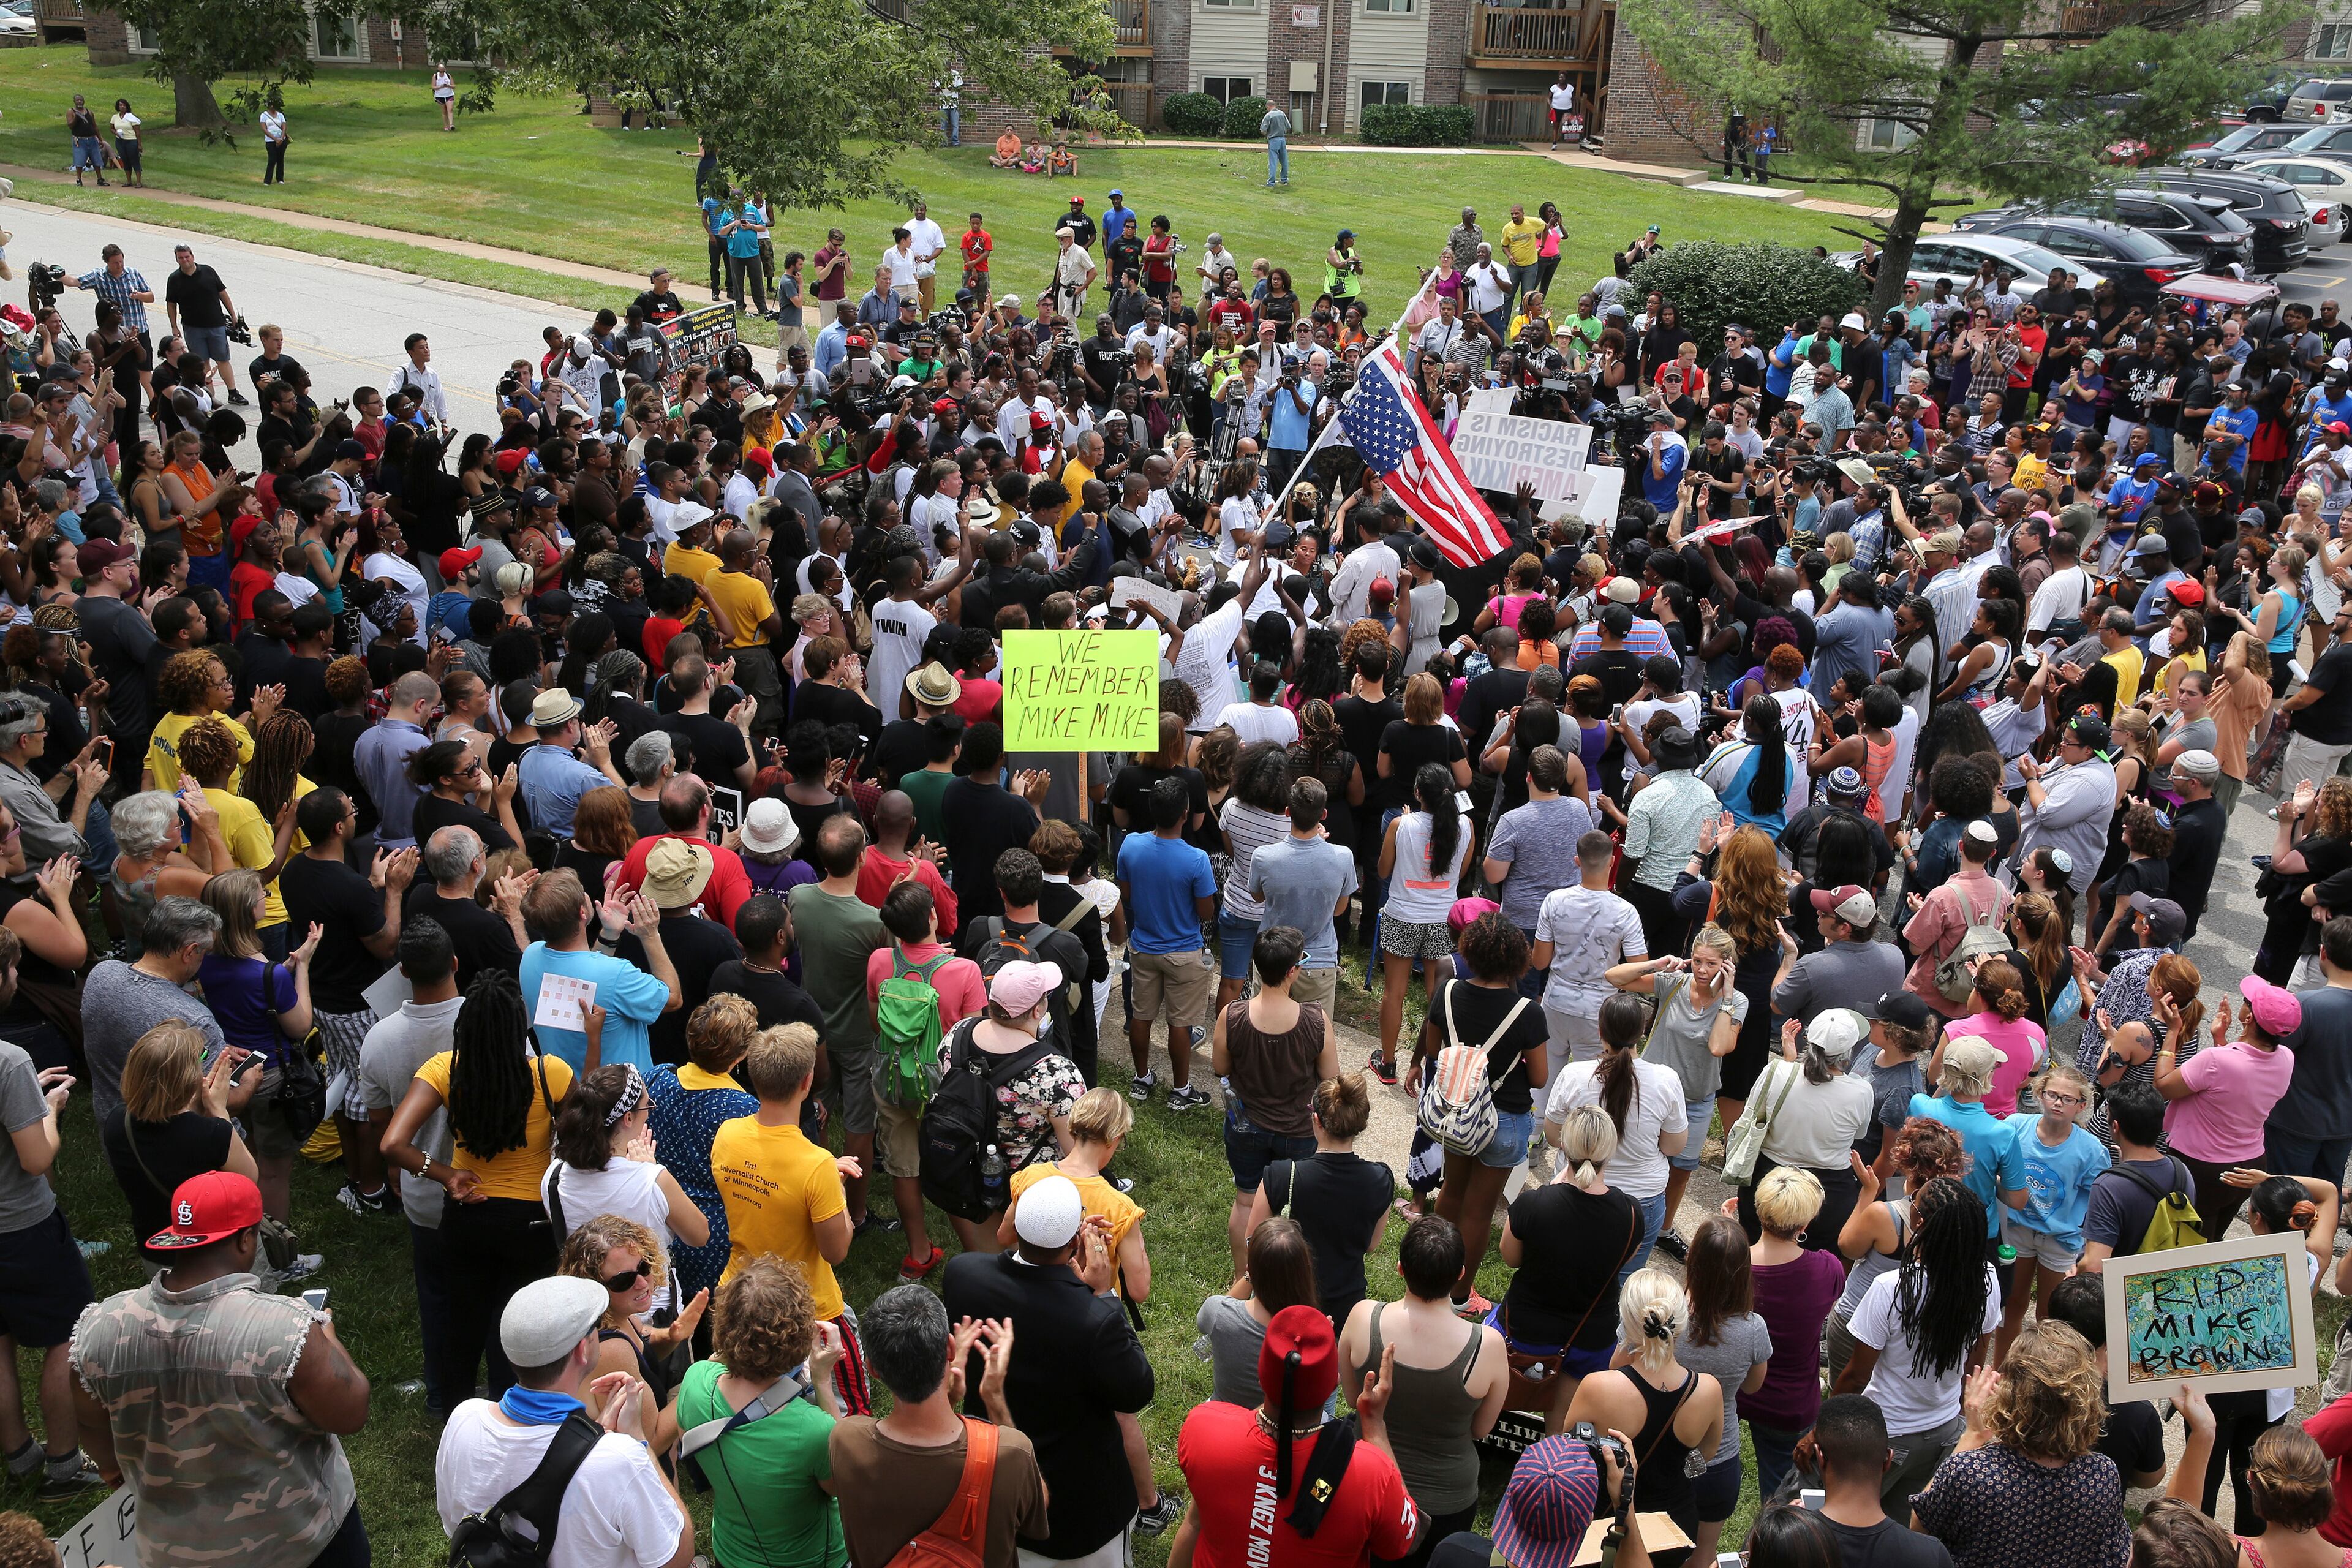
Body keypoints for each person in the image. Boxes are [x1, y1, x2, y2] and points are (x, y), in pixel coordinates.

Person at [72, 1172, 371, 1568]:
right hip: (300, 1547)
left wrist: (112, 1467)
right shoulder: (286, 1329)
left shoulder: (101, 1328)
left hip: (173, 1552)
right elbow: (350, 1411)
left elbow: (89, 1420)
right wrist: (326, 1335)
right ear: (246, 1239)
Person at [943, 1173, 1156, 1568]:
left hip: (992, 1473)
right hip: (1079, 1506)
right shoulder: (1094, 1318)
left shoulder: (963, 1272)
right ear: (1076, 1241)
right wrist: (1104, 1293)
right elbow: (1138, 1389)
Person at [380, 970, 574, 1402]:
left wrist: (445, 1175)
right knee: (521, 1328)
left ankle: (455, 1418)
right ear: (516, 1027)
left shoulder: (444, 1071)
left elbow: (393, 1144)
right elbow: (583, 1136)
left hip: (468, 1215)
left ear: (465, 1026)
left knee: (461, 1325)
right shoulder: (551, 1073)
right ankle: (514, 1414)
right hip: (532, 1225)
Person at [431, 1274, 694, 1568]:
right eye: (597, 1327)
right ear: (583, 1350)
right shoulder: (619, 1459)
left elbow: (456, 1522)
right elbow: (677, 1556)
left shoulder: (463, 1418)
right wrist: (637, 1442)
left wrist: (593, 1435)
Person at [1170, 1304, 1423, 1568]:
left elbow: (1195, 1522)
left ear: (1261, 1374)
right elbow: (1403, 1540)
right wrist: (1374, 1427)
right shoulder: (1372, 1473)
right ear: (1332, 1383)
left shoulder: (1203, 1427)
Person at [1337, 1216, 1507, 1566]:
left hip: (1367, 1485)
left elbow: (1355, 1399)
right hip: (1448, 1502)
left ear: (1400, 1268)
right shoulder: (1487, 1345)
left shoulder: (1361, 1318)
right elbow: (1481, 1429)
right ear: (1461, 1274)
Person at [1828, 1177, 2000, 1514]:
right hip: (1944, 1431)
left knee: (1831, 1518)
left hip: (1884, 1435)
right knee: (1896, 1526)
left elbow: (1855, 1378)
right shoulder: (1987, 1280)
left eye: (1913, 1204)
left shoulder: (1891, 1288)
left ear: (1918, 1222)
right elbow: (1974, 1363)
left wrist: (1825, 1428)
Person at [1910, 1322, 2131, 1568]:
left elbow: (1919, 1529)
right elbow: (2116, 1556)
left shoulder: (1971, 1473)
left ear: (2010, 1393)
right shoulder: (2101, 1475)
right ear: (2086, 1399)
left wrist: (1973, 1435)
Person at [1416, 913, 1549, 1312]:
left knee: (1451, 1194)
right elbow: (1540, 1077)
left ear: (1470, 950)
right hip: (1504, 1119)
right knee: (1479, 1210)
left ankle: (1428, 1275)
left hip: (1457, 1112)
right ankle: (1459, 1297)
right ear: (1517, 959)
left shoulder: (1449, 991)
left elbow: (1434, 1053)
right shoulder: (1528, 1012)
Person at [0, 973, 98, 1501]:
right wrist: (49, 1114)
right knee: (67, 1339)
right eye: (14, 968)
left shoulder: (13, 1070)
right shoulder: (8, 1060)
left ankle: (19, 1456)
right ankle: (63, 1468)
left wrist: (21, 1099)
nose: (20, 976)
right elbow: (36, 1157)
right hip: (21, 1228)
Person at [1212, 924, 1340, 1278]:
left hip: (1246, 1127)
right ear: (1292, 971)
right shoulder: (1316, 1019)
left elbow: (1220, 1066)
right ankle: (1295, 1282)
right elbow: (1331, 1078)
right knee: (1303, 1212)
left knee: (1246, 1203)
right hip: (1300, 1132)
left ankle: (1243, 1281)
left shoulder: (1232, 1015)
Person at [1560, 1270, 1724, 1544]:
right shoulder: (1708, 1390)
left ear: (1625, 1322)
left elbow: (1566, 1451)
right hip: (1673, 1526)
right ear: (1680, 1325)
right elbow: (1705, 1454)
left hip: (1606, 1522)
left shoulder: (1598, 1388)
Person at [1542, 992, 1688, 1282]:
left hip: (1576, 1190)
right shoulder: (1666, 1080)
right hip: (1643, 1200)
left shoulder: (1574, 1075)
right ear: (1642, 1032)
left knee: (1566, 1272)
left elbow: (1554, 1136)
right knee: (1623, 1282)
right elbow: (1673, 1145)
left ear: (1600, 1031)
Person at [97, 1020, 258, 1268]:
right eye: (199, 1058)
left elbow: (171, 1132)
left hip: (157, 1250)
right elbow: (249, 1179)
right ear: (186, 1079)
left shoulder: (119, 1122)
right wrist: (219, 1111)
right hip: (213, 1255)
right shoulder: (213, 1134)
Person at [1246, 1073, 1393, 1332]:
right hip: (1346, 1311)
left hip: (1284, 1305)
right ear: (1360, 1124)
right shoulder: (1381, 1179)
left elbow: (1253, 1245)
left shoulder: (1281, 1177)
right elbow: (1371, 1245)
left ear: (1316, 1120)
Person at [2155, 973, 2299, 1239]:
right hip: (2249, 1165)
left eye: (2247, 1002)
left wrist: (2172, 1031)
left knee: (2189, 1246)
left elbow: (2164, 1085)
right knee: (2214, 1238)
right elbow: (2236, 1084)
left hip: (2202, 1167)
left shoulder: (2215, 1060)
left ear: (2250, 1018)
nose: (2243, 1003)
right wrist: (2222, 1040)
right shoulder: (2286, 1058)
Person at [1668, 1216, 1774, 1564]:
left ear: (1692, 1261)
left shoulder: (1667, 1316)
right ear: (1744, 1271)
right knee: (1703, 1554)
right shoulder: (1754, 1329)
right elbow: (1755, 1386)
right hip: (1719, 1456)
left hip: (1663, 1447)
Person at [518, 868, 680, 1076]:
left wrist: (610, 934)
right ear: (582, 913)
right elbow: (673, 999)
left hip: (566, 1093)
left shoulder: (530, 957)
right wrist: (650, 936)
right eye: (582, 891)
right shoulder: (617, 974)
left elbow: (585, 979)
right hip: (623, 1100)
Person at [1995, 1063, 2107, 1362]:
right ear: (2039, 1094)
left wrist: (2087, 1246)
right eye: (2052, 1094)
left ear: (2081, 1106)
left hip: (2059, 1240)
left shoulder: (2091, 1150)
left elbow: (2099, 1200)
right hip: (2017, 1231)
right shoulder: (2016, 1126)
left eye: (2068, 1099)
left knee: (2050, 1315)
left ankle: (2038, 1374)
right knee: (2011, 1305)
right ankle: (2002, 1370)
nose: (2058, 1103)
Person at [1740, 1010, 1874, 1254]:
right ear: (1847, 1053)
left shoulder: (1776, 1072)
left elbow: (1753, 1111)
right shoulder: (1862, 1091)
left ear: (1808, 1040)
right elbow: (1859, 1135)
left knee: (1753, 1255)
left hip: (1769, 1181)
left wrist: (1788, 1062)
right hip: (1828, 1192)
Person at [1807, 1395, 1956, 1568]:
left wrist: (1789, 1523)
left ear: (1820, 1457)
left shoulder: (1784, 1540)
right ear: (1888, 1460)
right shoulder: (1931, 1555)